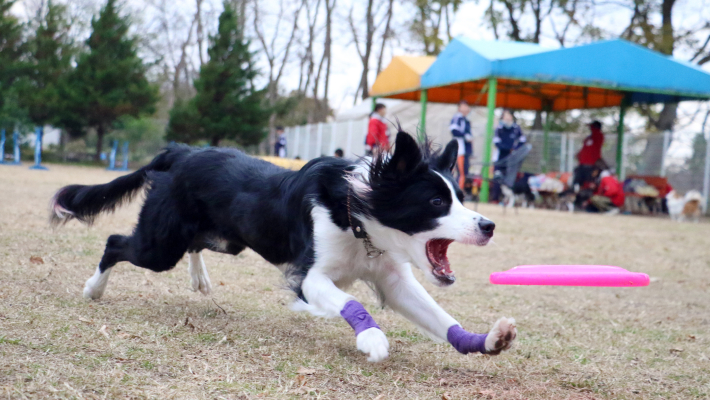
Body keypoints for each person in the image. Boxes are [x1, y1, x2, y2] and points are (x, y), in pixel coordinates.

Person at [491, 110, 526, 202]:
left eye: (509, 116)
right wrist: (508, 149)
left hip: (511, 158)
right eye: (505, 116)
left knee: (509, 179)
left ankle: (507, 200)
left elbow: (522, 140)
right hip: (500, 157)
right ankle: (495, 199)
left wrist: (515, 149)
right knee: (497, 177)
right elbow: (497, 142)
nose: (507, 118)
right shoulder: (499, 128)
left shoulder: (516, 128)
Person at [573, 120, 605, 191]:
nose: (590, 128)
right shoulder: (589, 138)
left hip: (591, 165)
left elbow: (595, 133)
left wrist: (593, 126)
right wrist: (579, 154)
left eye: (592, 127)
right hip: (582, 164)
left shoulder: (598, 135)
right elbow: (585, 148)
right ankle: (579, 196)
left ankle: (587, 198)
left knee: (588, 184)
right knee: (578, 182)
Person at [449, 100, 473, 188]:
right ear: (459, 108)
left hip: (465, 151)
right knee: (461, 173)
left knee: (464, 173)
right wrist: (465, 136)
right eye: (463, 106)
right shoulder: (457, 118)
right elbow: (454, 131)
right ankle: (457, 191)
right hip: (459, 150)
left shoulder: (466, 120)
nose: (466, 108)